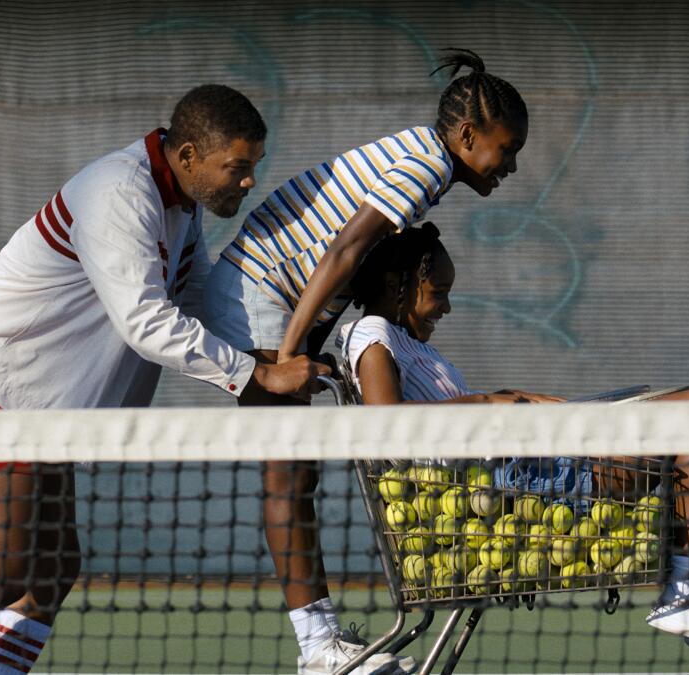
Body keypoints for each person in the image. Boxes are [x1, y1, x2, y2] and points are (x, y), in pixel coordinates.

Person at [0, 85, 328, 673]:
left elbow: (194, 298)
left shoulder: (181, 206)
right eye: (238, 167)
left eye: (253, 167)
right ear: (191, 155)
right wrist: (257, 375)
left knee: (50, 570)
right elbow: (146, 322)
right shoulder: (120, 191)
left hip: (37, 407)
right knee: (5, 565)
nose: (248, 181)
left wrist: (264, 361)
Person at [335, 224, 689, 675]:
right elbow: (389, 429)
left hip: (532, 464)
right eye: (438, 292)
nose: (448, 307)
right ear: (397, 285)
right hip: (525, 486)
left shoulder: (407, 341)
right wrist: (491, 402)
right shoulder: (370, 334)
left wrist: (516, 396)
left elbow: (450, 410)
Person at [199, 49, 529, 674]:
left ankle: (319, 641)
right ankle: (317, 647)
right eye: (506, 149)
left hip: (281, 301)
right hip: (261, 297)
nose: (510, 166)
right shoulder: (426, 167)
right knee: (290, 475)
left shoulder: (422, 161)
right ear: (466, 136)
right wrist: (290, 354)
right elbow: (345, 250)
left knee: (296, 476)